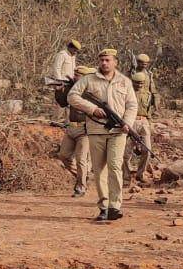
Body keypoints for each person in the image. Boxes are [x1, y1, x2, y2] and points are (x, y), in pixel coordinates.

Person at [67, 48, 137, 222]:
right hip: (96, 131)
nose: (104, 63)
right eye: (102, 60)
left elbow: (132, 105)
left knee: (114, 166)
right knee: (99, 171)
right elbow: (72, 96)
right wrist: (92, 109)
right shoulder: (89, 80)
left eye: (108, 60)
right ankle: (104, 207)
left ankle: (115, 206)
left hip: (118, 131)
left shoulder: (124, 81)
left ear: (115, 62)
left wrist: (127, 122)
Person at [56, 64, 95, 196]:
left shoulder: (90, 92)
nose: (74, 76)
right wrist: (59, 90)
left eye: (77, 75)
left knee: (81, 159)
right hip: (71, 128)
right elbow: (62, 103)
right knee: (63, 156)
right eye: (75, 74)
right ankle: (82, 177)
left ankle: (81, 187)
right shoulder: (72, 89)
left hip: (84, 130)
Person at [128, 60, 156, 185]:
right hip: (130, 122)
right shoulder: (126, 93)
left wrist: (149, 123)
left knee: (147, 150)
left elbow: (150, 110)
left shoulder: (148, 95)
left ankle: (140, 174)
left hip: (144, 121)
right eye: (136, 82)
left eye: (141, 83)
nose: (139, 85)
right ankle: (125, 177)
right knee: (125, 152)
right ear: (132, 82)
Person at [47, 39, 81, 122]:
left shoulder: (72, 56)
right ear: (70, 47)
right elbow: (57, 68)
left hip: (70, 82)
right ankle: (55, 121)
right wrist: (59, 82)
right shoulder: (62, 54)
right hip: (61, 81)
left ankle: (67, 122)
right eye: (74, 49)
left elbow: (73, 69)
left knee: (69, 101)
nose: (75, 52)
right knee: (60, 102)